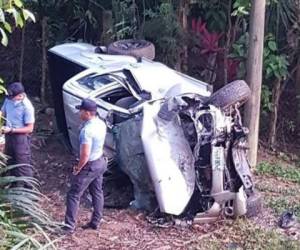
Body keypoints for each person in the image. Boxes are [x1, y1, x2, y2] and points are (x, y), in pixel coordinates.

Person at [63, 98, 107, 234]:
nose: (78, 113)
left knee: (73, 194)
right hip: (101, 161)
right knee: (97, 191)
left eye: (80, 111)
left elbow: (85, 155)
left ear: (88, 113)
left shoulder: (87, 131)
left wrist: (78, 167)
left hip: (90, 165)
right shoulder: (101, 124)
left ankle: (69, 226)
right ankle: (96, 221)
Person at [0, 82, 35, 188]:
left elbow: (30, 128)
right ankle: (14, 187)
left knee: (22, 165)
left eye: (13, 97)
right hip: (8, 134)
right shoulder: (8, 100)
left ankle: (29, 190)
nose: (10, 99)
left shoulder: (27, 107)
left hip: (21, 138)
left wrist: (12, 130)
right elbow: (2, 112)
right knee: (10, 162)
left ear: (20, 95)